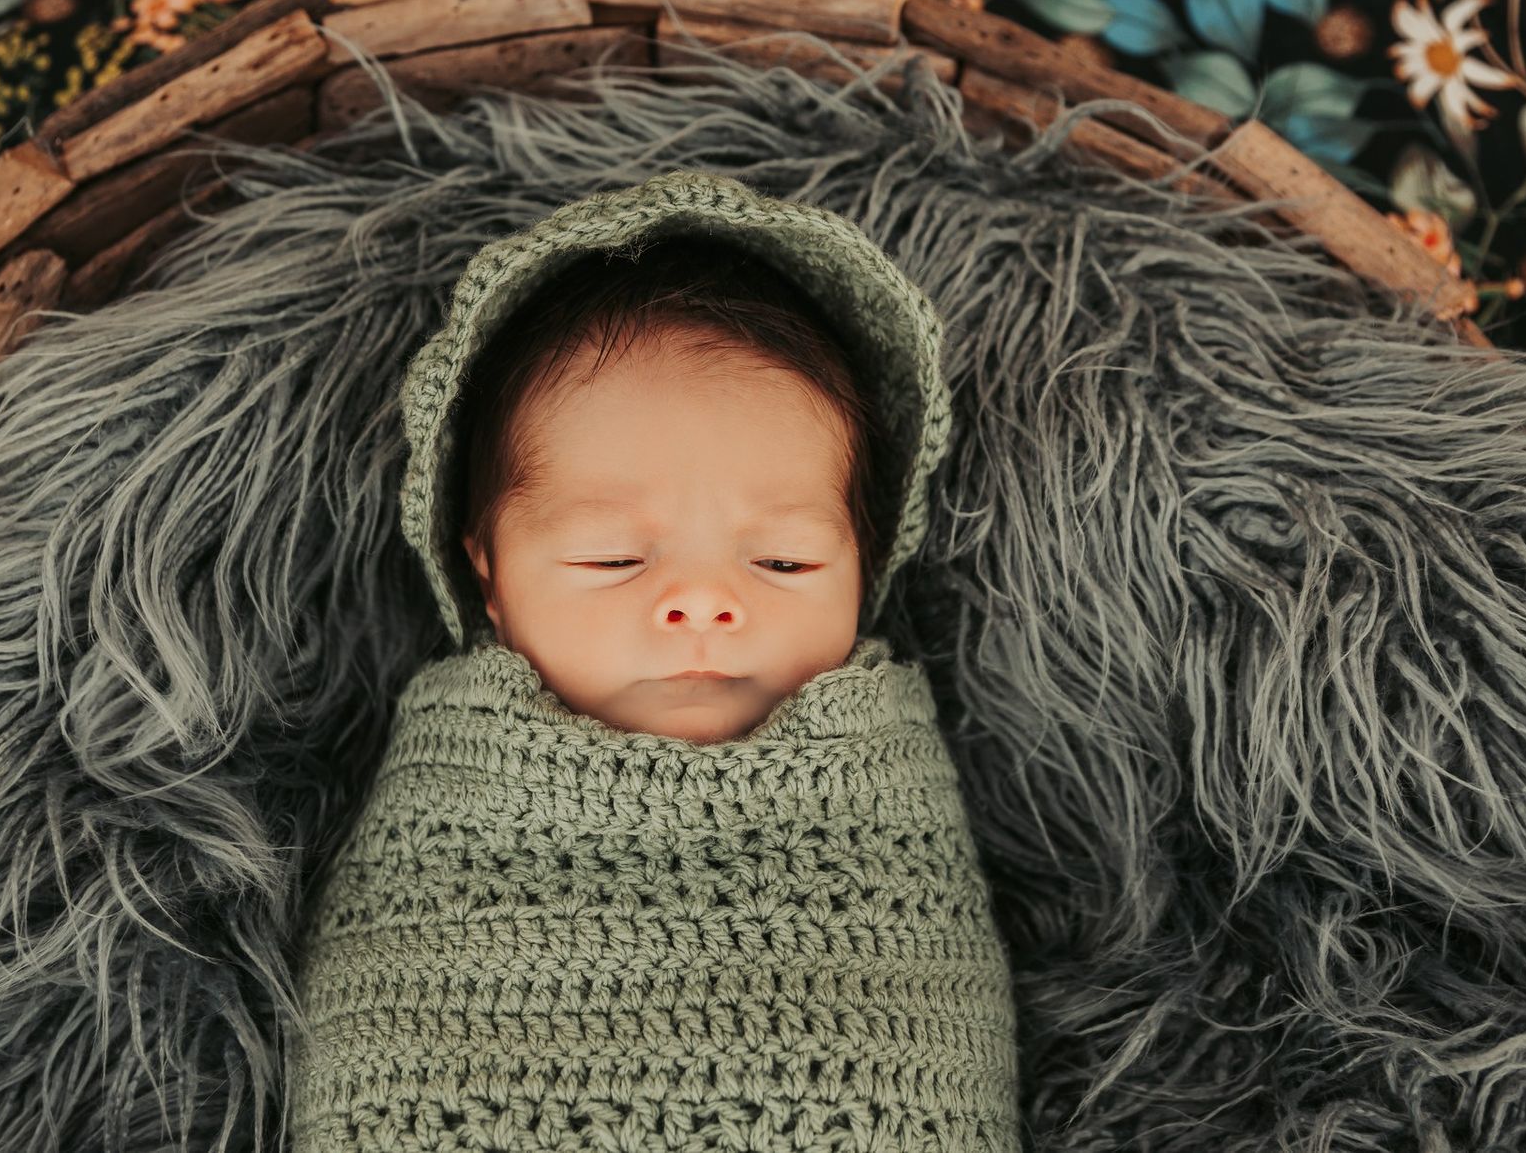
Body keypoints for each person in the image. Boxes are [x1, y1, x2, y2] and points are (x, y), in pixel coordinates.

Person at [286, 168, 1022, 1151]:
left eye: (783, 559)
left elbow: (934, 1057)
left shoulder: (885, 803)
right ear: (491, 580)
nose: (705, 600)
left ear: (866, 570)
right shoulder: (446, 818)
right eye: (614, 557)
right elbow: (387, 1044)